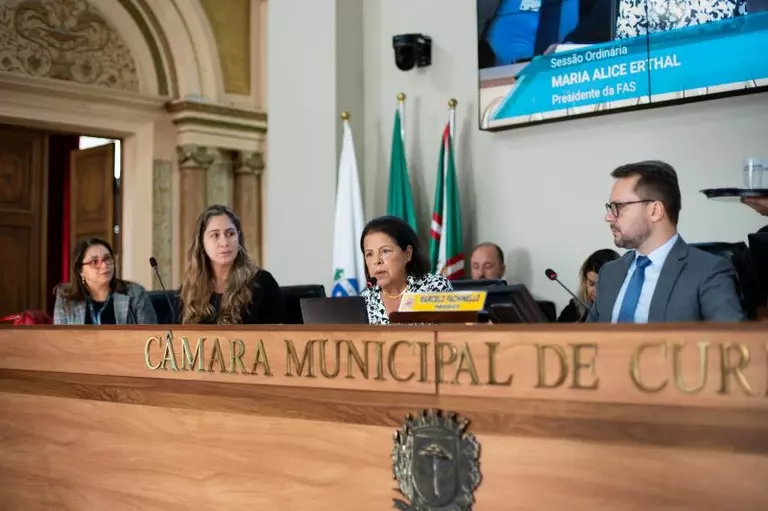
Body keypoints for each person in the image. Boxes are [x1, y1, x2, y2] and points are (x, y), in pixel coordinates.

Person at [587, 160, 745, 323]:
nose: (608, 217)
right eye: (610, 207)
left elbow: (731, 344)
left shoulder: (708, 272)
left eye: (618, 206)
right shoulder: (609, 273)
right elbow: (586, 340)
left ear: (655, 211)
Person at [179, 204, 286, 324]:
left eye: (230, 234)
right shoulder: (190, 290)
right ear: (202, 243)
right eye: (215, 235)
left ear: (239, 239)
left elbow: (280, 336)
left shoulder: (262, 283)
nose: (224, 242)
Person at [360, 216, 452, 325]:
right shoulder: (364, 300)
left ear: (407, 254)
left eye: (385, 251)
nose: (377, 261)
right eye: (369, 254)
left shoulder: (434, 288)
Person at [53, 238, 157, 325]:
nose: (104, 265)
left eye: (107, 258)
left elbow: (151, 338)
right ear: (80, 270)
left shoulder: (135, 294)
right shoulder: (65, 298)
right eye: (94, 261)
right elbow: (60, 341)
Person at [557, 249, 619, 322]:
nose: (596, 291)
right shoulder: (575, 308)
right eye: (591, 284)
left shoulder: (628, 310)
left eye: (602, 285)